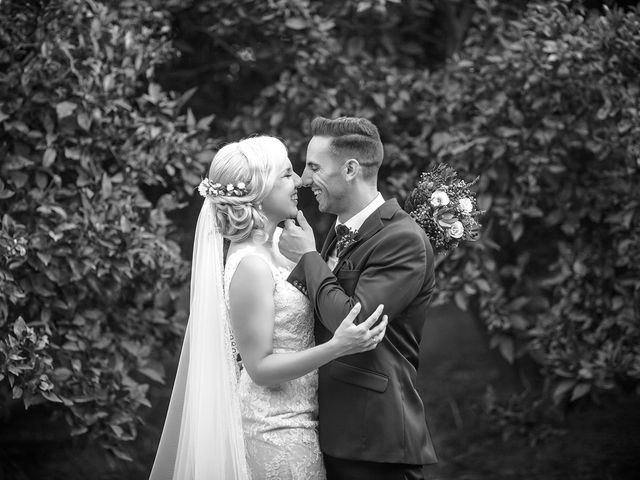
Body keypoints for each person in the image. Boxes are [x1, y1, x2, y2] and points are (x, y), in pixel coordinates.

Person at [149, 135, 388, 480]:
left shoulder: (281, 245)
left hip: (304, 419)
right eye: (286, 175)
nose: (299, 182)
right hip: (274, 430)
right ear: (259, 192)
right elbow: (259, 367)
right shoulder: (250, 266)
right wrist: (337, 347)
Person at [279, 117, 437, 480]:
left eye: (314, 167)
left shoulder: (403, 239)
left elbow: (351, 324)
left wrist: (308, 259)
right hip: (333, 432)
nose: (304, 179)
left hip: (373, 441)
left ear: (350, 169)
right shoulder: (338, 233)